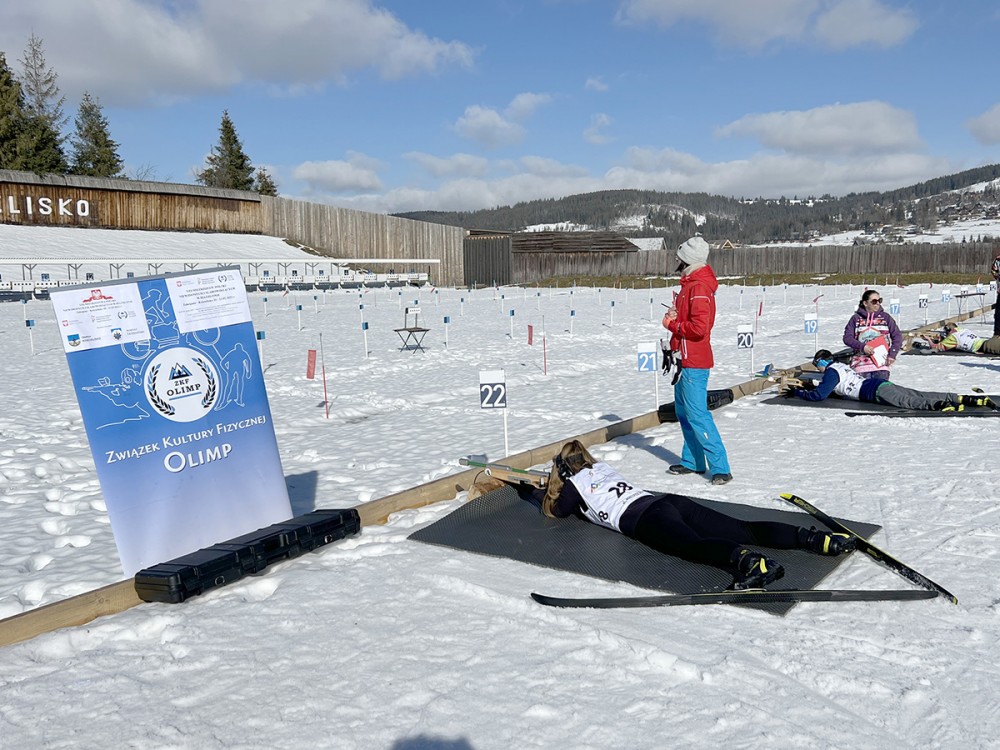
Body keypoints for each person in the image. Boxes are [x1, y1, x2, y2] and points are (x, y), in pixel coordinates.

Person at [539, 441, 855, 590]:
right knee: (743, 528)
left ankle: (749, 563)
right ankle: (816, 539)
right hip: (669, 502)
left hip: (647, 520)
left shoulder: (573, 486)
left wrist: (547, 487)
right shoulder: (600, 467)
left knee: (694, 546)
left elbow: (557, 511)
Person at [662, 236, 732, 485]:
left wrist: (673, 324)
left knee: (697, 414)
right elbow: (690, 320)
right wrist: (676, 315)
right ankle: (693, 461)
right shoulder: (689, 285)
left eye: (679, 258)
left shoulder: (699, 288)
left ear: (688, 261)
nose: (676, 262)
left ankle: (720, 467)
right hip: (684, 360)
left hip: (694, 362)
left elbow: (699, 328)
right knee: (684, 413)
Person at [785, 349, 992, 411]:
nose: (817, 369)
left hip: (873, 391)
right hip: (876, 385)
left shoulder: (830, 372)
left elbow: (821, 395)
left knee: (908, 401)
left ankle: (939, 405)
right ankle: (958, 398)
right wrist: (809, 384)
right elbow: (830, 387)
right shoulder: (840, 366)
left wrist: (798, 393)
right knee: (915, 393)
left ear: (822, 362)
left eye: (816, 365)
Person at [843, 289, 903, 380]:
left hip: (881, 365)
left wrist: (892, 354)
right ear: (865, 303)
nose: (878, 303)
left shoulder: (886, 317)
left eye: (880, 301)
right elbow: (847, 338)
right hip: (860, 365)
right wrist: (862, 347)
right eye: (874, 301)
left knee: (879, 392)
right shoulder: (856, 319)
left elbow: (897, 336)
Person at [913, 322, 1000, 355]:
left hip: (986, 346)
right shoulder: (963, 330)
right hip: (989, 341)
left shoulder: (953, 337)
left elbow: (935, 348)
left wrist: (928, 339)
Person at [992, 251, 1000, 336]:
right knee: (998, 316)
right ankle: (997, 335)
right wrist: (998, 277)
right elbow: (993, 271)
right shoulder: (998, 260)